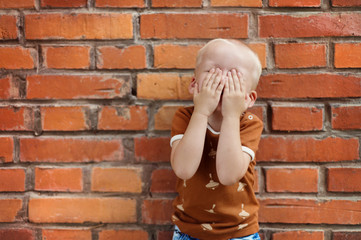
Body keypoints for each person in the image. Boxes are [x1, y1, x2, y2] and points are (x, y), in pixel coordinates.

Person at [170, 38, 263, 240]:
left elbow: (229, 175)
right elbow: (184, 169)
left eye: (234, 76)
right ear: (194, 85)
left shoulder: (249, 124)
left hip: (240, 232)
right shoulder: (185, 117)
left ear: (248, 98)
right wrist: (201, 112)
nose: (222, 81)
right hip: (188, 231)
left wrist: (231, 115)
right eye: (213, 72)